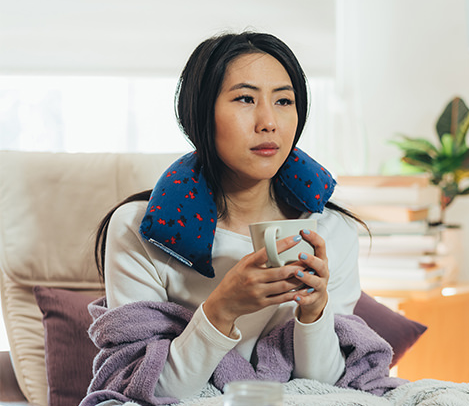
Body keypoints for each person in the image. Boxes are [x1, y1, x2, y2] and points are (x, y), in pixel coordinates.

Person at [87, 32, 396, 404]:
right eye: (245, 99)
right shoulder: (143, 229)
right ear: (201, 112)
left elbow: (328, 391)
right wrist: (223, 308)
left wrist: (314, 312)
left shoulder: (331, 228)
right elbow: (144, 391)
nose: (268, 122)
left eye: (284, 101)